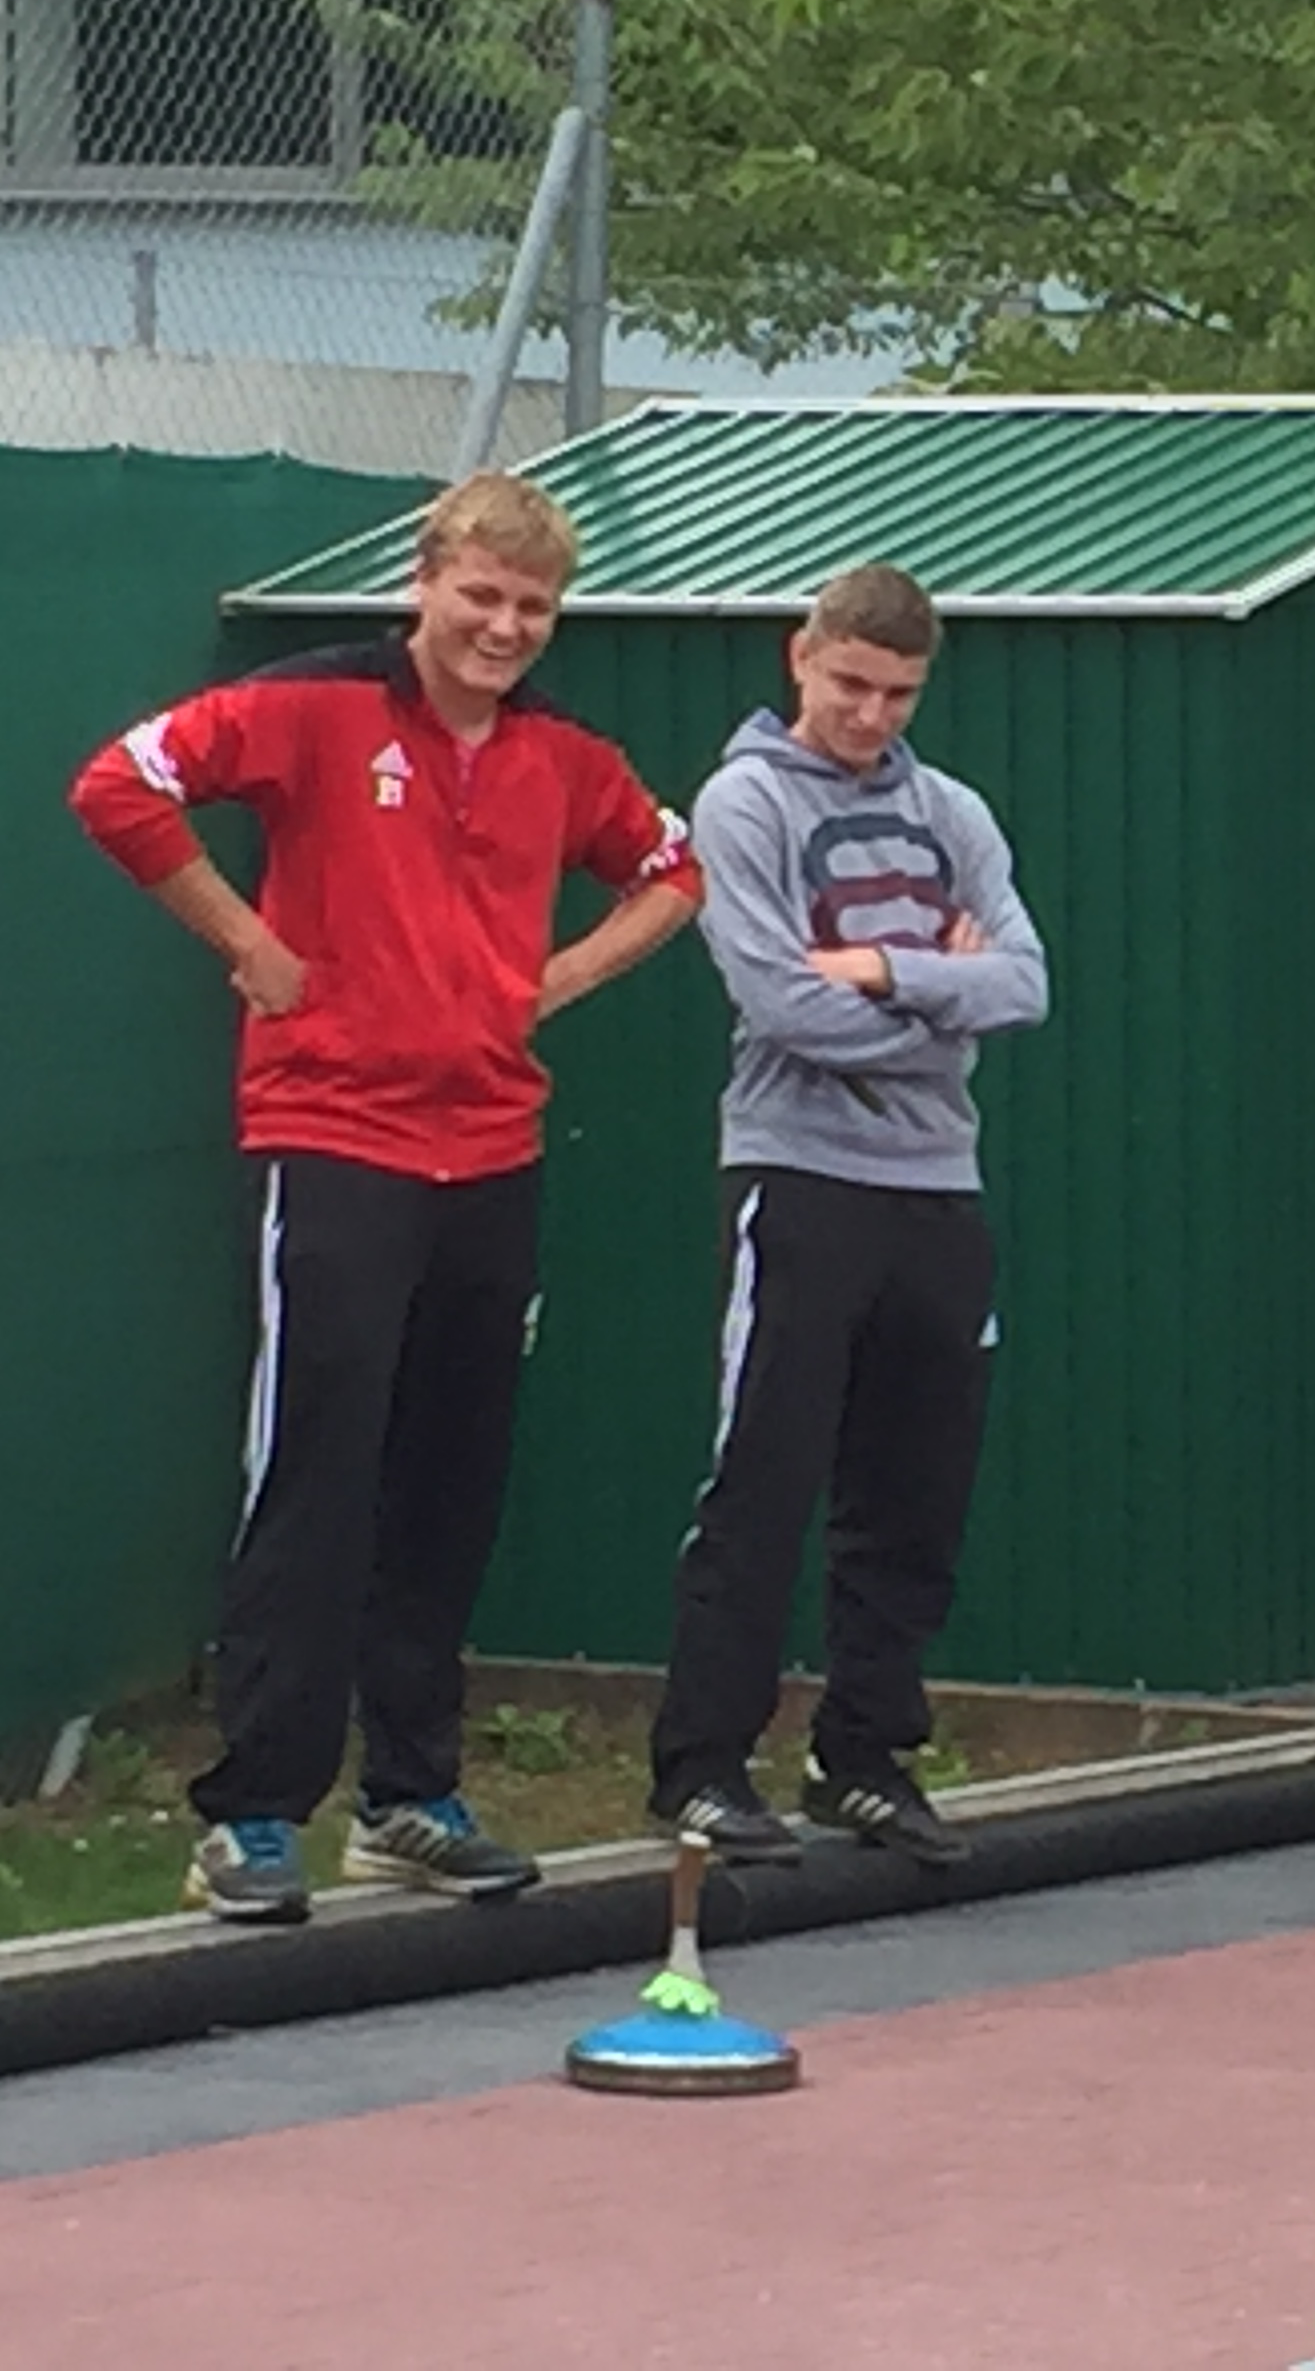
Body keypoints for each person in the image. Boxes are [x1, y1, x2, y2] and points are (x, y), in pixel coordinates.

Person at [68, 470, 704, 1925]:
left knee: (449, 1483)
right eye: (481, 595)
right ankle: (251, 1813)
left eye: (532, 607)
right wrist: (245, 942)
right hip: (333, 1140)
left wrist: (552, 982)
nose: (503, 627)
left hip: (492, 1154)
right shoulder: (313, 704)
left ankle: (409, 1796)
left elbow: (676, 872)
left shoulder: (564, 753)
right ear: (425, 582)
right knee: (316, 1471)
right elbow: (118, 786)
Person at [645, 565, 1048, 1869]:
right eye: (851, 685)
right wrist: (944, 1003)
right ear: (800, 658)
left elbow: (1026, 982)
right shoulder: (745, 803)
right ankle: (704, 1767)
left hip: (937, 1186)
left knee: (915, 1491)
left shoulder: (952, 811)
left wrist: (881, 967)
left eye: (898, 694)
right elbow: (778, 1003)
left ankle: (864, 1756)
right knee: (765, 1477)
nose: (870, 716)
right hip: (798, 1176)